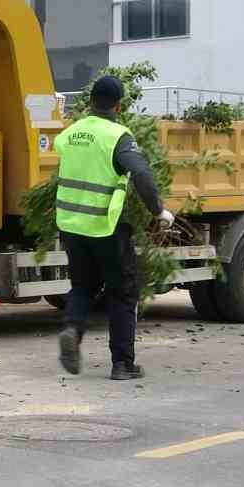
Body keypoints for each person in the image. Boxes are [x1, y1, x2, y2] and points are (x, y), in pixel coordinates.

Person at [53, 75, 174, 381]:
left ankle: (72, 329)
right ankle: (122, 364)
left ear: (91, 101)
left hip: (70, 224)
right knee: (122, 293)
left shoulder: (71, 133)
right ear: (119, 105)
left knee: (82, 285)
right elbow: (142, 174)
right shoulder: (118, 136)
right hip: (105, 227)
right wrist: (158, 210)